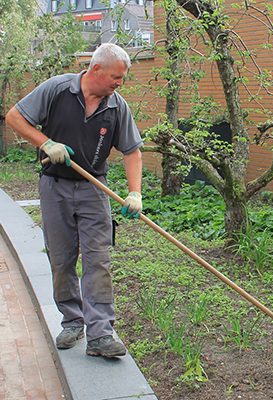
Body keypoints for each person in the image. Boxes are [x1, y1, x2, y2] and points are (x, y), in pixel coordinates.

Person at [6, 43, 143, 358]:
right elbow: (14, 117)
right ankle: (71, 321)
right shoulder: (57, 90)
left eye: (122, 79)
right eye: (115, 77)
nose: (118, 83)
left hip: (95, 190)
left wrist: (134, 192)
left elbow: (132, 151)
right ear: (95, 69)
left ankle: (100, 335)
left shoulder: (116, 106)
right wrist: (46, 142)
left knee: (99, 261)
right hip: (55, 187)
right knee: (61, 258)